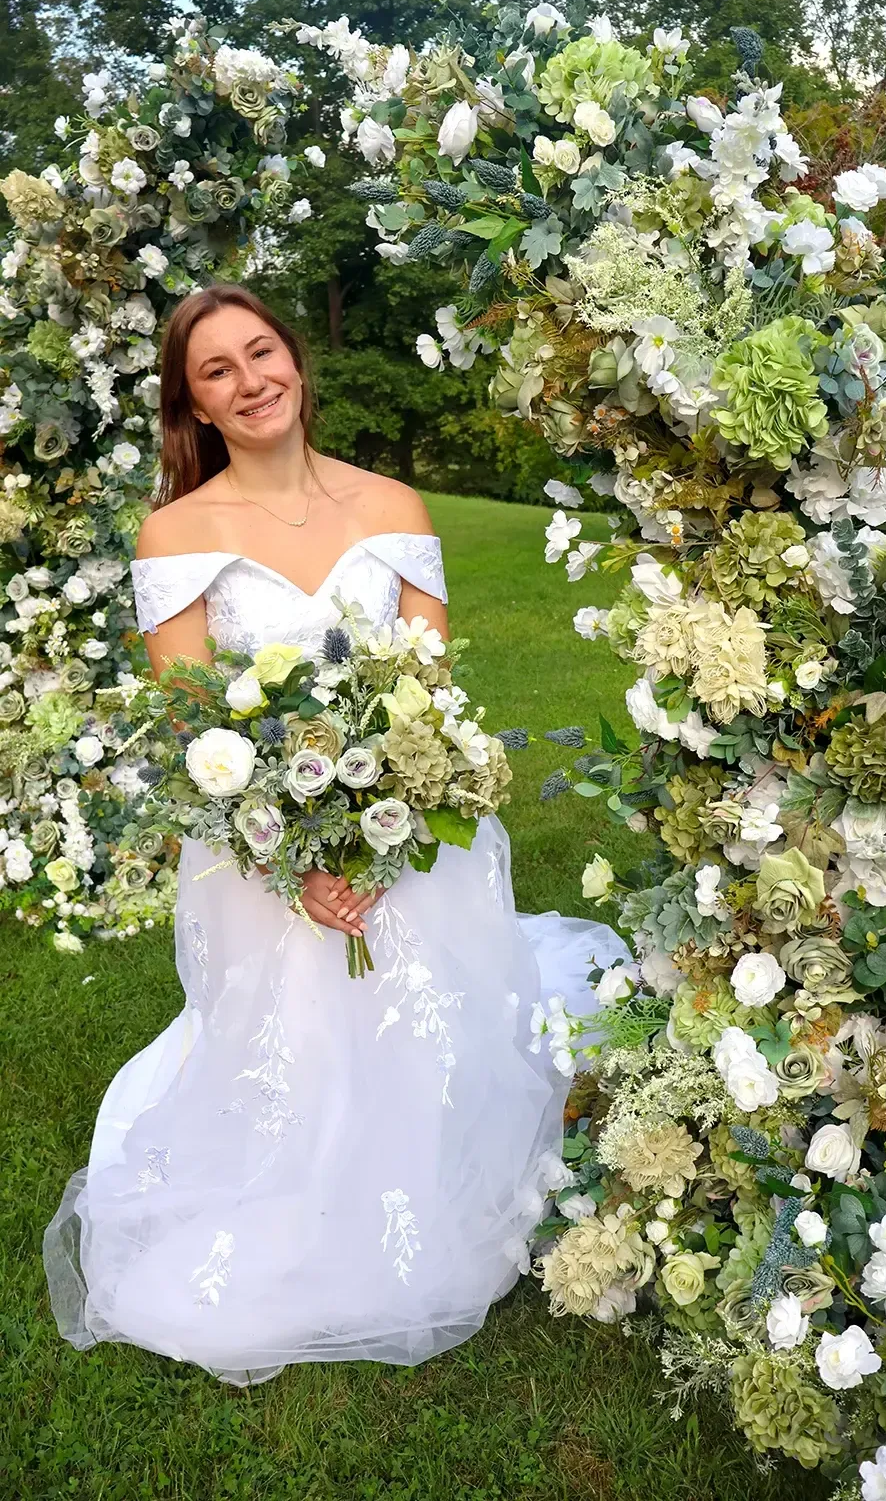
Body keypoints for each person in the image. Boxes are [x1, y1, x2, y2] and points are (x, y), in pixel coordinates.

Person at [43, 284, 630, 1385]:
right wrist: (294, 863)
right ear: (196, 405)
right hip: (257, 843)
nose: (248, 380)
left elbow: (431, 690)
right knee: (298, 1052)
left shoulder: (394, 506)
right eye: (216, 371)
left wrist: (385, 825)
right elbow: (191, 724)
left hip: (410, 824)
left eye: (260, 352)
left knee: (429, 1027)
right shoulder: (175, 533)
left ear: (297, 364)